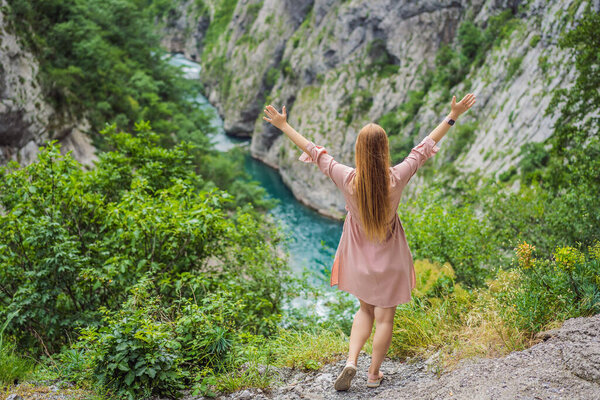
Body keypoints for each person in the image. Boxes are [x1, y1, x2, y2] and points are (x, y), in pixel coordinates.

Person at [263, 93, 476, 391]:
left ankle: (351, 361)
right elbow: (423, 148)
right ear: (386, 150)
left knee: (364, 310)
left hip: (359, 261)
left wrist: (283, 126)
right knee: (384, 317)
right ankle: (373, 375)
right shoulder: (397, 177)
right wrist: (453, 115)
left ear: (359, 151)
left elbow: (314, 151)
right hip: (391, 261)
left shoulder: (347, 178)